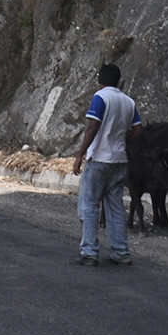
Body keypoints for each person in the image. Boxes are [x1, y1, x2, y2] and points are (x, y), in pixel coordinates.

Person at [71, 63, 142, 266]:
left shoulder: (100, 97)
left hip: (99, 159)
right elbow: (137, 129)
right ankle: (121, 252)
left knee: (89, 205)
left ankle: (89, 252)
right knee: (116, 207)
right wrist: (122, 141)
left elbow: (93, 127)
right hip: (119, 161)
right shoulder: (128, 101)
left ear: (100, 80)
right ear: (118, 80)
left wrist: (79, 155)